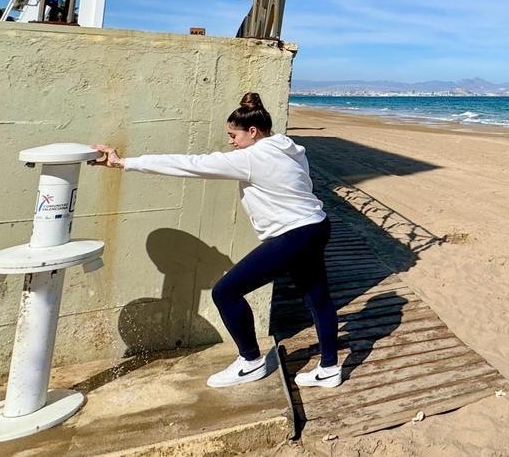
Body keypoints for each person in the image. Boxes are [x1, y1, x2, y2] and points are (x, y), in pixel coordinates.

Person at [91, 93, 342, 389]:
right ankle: (329, 369)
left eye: (233, 135)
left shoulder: (251, 158)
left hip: (295, 234)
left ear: (252, 132)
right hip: (316, 226)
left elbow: (192, 164)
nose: (230, 142)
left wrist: (125, 163)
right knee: (317, 298)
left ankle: (250, 362)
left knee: (226, 291)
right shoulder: (291, 150)